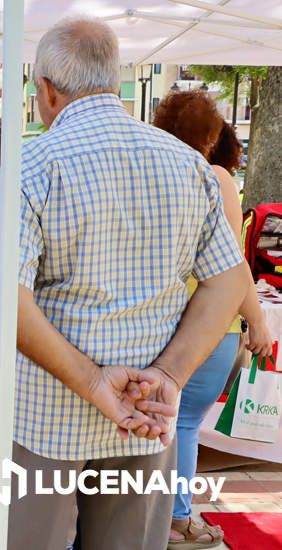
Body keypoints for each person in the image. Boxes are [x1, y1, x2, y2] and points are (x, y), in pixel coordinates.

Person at [0, 17, 250, 550]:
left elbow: (2, 298)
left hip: (46, 417)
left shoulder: (32, 165)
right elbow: (229, 281)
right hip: (147, 411)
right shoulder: (188, 164)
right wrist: (169, 373)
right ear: (114, 78)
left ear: (46, 91)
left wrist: (97, 384)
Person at [153, 94, 274, 548]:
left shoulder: (155, 174)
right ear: (212, 135)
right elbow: (229, 264)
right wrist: (257, 319)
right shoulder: (215, 176)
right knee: (182, 424)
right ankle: (179, 517)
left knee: (161, 424)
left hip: (160, 320)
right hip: (208, 322)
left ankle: (156, 512)